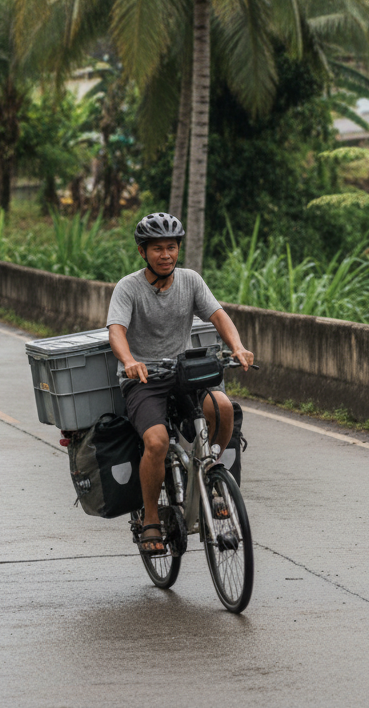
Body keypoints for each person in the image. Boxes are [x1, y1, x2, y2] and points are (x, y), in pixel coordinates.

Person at [107, 212, 253, 554]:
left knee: (224, 408)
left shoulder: (190, 281)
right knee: (156, 442)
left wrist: (238, 346)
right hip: (144, 378)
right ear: (143, 252)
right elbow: (116, 330)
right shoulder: (128, 287)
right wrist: (129, 361)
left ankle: (212, 474)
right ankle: (152, 520)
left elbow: (218, 315)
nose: (165, 255)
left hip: (183, 373)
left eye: (171, 247)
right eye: (156, 248)